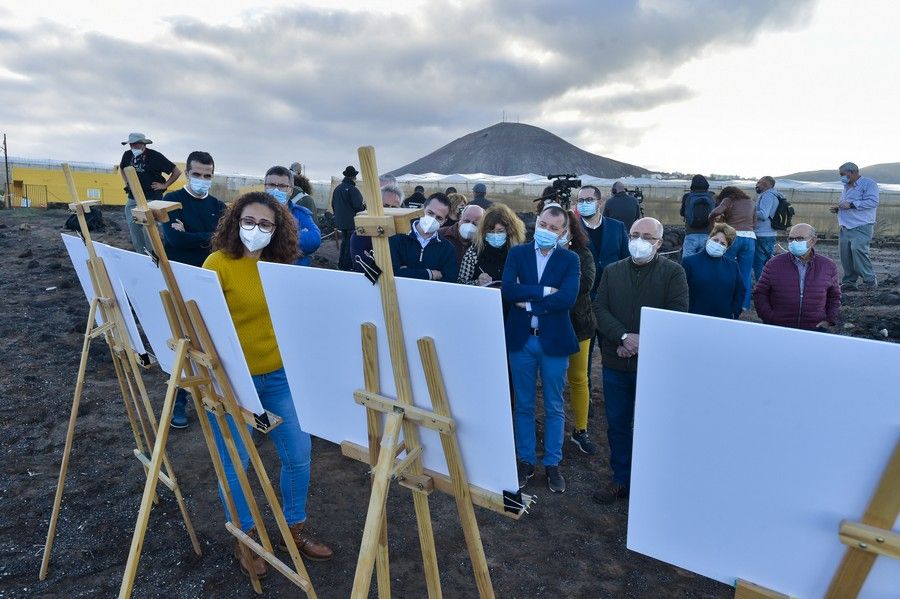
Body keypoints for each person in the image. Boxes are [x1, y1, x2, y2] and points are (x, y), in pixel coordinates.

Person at [203, 191, 333, 577]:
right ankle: (245, 538)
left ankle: (293, 527)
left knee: (298, 454)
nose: (255, 230)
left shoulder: (284, 266)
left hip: (278, 377)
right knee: (237, 462)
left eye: (265, 224)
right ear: (234, 222)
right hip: (233, 379)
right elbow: (200, 320)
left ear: (277, 230)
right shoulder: (218, 264)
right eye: (248, 222)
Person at [592, 217, 689, 504]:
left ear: (659, 243)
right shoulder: (612, 271)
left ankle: (651, 483)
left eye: (648, 237)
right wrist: (623, 337)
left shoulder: (673, 273)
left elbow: (676, 313)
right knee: (618, 424)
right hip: (615, 361)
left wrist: (640, 343)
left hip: (653, 366)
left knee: (652, 425)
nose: (640, 241)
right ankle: (621, 479)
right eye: (635, 234)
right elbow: (600, 307)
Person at [502, 205, 580, 494]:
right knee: (523, 403)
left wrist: (530, 297)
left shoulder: (570, 259)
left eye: (553, 228)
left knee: (554, 405)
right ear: (536, 221)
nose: (546, 231)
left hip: (554, 341)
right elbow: (509, 291)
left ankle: (552, 463)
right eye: (543, 224)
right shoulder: (518, 253)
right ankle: (525, 460)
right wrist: (547, 291)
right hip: (522, 340)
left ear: (563, 233)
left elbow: (568, 298)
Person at [161, 151, 226, 428]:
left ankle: (216, 397)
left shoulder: (219, 206)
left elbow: (225, 242)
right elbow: (173, 240)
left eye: (207, 175)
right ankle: (179, 402)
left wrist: (192, 235)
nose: (202, 180)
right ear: (186, 173)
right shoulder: (170, 201)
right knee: (183, 342)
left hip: (211, 279)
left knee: (214, 342)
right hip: (180, 279)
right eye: (197, 174)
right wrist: (209, 237)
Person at [558, 211, 598, 456]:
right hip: (547, 325)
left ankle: (580, 430)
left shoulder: (584, 255)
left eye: (562, 229)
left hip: (578, 325)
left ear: (572, 232)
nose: (556, 234)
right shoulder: (537, 253)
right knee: (551, 379)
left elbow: (585, 285)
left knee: (578, 377)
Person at [753, 223, 840, 331]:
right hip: (779, 328)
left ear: (812, 241)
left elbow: (834, 296)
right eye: (791, 239)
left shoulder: (827, 266)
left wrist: (829, 320)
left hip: (814, 329)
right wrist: (769, 317)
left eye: (799, 239)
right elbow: (760, 293)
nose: (794, 242)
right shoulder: (774, 264)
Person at [119, 132, 182, 255]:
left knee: (150, 227)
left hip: (152, 198)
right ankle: (140, 253)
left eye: (136, 145)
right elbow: (122, 168)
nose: (133, 147)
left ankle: (154, 254)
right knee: (133, 226)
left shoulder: (155, 156)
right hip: (134, 197)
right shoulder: (127, 155)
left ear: (143, 144)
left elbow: (176, 171)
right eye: (131, 145)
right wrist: (127, 183)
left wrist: (164, 185)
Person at [831, 162, 879, 291]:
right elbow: (846, 204)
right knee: (845, 255)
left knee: (858, 250)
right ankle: (850, 282)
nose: (841, 177)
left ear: (852, 172)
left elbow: (873, 201)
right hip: (845, 226)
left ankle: (869, 279)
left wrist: (851, 204)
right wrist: (838, 208)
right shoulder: (846, 187)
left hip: (861, 225)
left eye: (843, 174)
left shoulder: (868, 184)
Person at [389, 193, 458, 281]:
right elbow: (392, 273)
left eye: (439, 218)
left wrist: (407, 272)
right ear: (422, 209)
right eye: (430, 213)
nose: (433, 219)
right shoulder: (397, 238)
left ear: (444, 221)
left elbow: (449, 281)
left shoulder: (447, 249)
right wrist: (430, 274)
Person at [682, 223, 745, 319]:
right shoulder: (689, 262)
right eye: (715, 240)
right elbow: (681, 292)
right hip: (694, 318)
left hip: (724, 320)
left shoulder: (733, 266)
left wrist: (734, 313)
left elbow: (740, 291)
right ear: (709, 238)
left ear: (727, 248)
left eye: (723, 243)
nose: (717, 244)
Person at [708, 186, 756, 311]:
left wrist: (711, 220)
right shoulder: (751, 202)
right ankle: (744, 304)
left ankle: (724, 299)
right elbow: (755, 222)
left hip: (733, 236)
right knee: (746, 273)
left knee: (725, 268)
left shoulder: (729, 200)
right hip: (750, 238)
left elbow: (715, 212)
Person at [457, 203, 526, 286]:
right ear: (483, 231)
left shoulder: (518, 252)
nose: (495, 235)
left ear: (509, 231)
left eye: (500, 231)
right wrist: (478, 282)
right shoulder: (474, 251)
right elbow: (461, 283)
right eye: (491, 232)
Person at [265, 166, 321, 266]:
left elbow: (314, 240)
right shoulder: (255, 211)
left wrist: (276, 236)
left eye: (282, 186)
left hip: (294, 271)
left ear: (290, 190)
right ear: (265, 187)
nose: (276, 190)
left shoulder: (300, 213)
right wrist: (294, 240)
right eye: (272, 185)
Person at [350, 184, 404, 273]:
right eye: (385, 206)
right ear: (377, 205)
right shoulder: (362, 233)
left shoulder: (404, 233)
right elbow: (363, 267)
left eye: (394, 207)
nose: (389, 211)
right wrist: (396, 272)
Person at [331, 165, 365, 270]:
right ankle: (347, 266)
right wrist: (364, 206)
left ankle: (341, 264)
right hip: (352, 222)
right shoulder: (352, 189)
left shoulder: (337, 189)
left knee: (344, 243)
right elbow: (358, 206)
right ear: (354, 176)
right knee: (351, 244)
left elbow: (333, 205)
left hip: (341, 222)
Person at [679, 174, 715, 258]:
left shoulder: (687, 196)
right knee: (703, 261)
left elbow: (682, 213)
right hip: (707, 233)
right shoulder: (712, 196)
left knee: (687, 261)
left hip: (691, 233)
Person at [753, 176, 780, 282]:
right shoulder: (774, 195)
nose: (757, 185)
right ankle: (769, 285)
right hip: (769, 233)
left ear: (766, 184)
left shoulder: (767, 195)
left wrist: (749, 212)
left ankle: (761, 287)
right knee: (766, 262)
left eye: (759, 182)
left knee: (758, 264)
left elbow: (764, 215)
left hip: (763, 234)